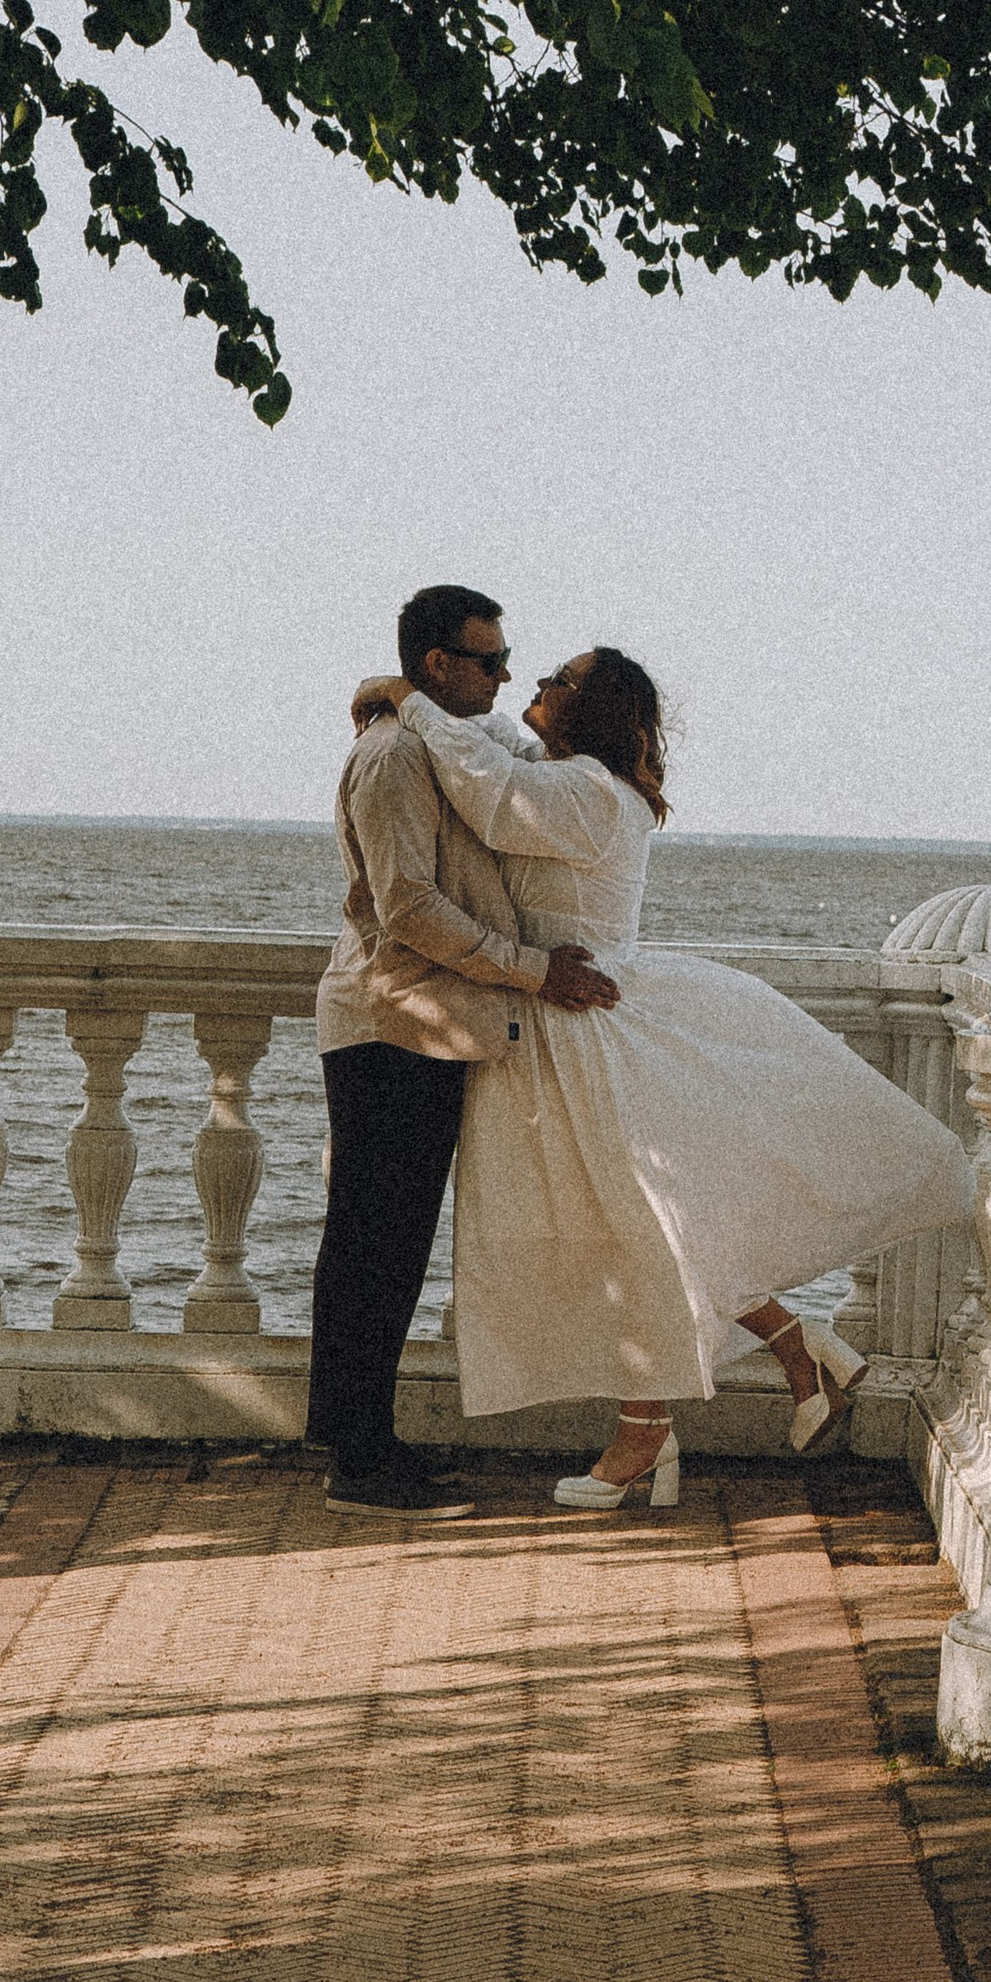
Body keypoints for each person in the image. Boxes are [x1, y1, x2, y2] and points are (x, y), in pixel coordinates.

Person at [357, 647, 977, 1508]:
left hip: (583, 1031)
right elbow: (495, 751)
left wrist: (411, 702)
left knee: (630, 1235)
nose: (534, 685)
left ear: (592, 712)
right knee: (619, 1235)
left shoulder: (587, 796)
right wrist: (424, 707)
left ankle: (649, 1432)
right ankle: (793, 1350)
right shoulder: (572, 778)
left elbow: (491, 795)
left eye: (557, 682)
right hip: (552, 1021)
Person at [309, 586, 618, 1518]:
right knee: (374, 1245)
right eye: (488, 660)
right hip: (394, 1022)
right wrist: (534, 970)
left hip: (422, 1022)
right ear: (439, 665)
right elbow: (408, 907)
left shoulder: (437, 738)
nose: (506, 674)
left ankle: (363, 1442)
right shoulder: (400, 755)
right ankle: (357, 1461)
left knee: (386, 1245)